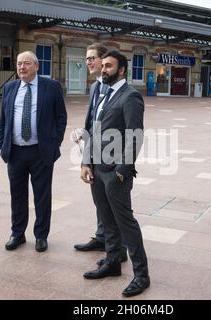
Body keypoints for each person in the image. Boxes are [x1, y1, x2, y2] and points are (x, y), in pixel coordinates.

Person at [80, 49, 150, 297]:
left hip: (116, 173)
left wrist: (123, 169)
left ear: (121, 70)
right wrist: (85, 162)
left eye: (108, 66)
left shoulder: (130, 96)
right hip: (97, 170)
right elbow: (93, 130)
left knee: (125, 223)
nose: (103, 69)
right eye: (103, 65)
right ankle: (112, 263)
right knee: (106, 219)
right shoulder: (102, 93)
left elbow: (136, 135)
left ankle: (142, 275)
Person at [0, 51, 67, 253]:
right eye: (19, 64)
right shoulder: (10, 88)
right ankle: (17, 234)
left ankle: (41, 236)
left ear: (36, 66)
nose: (22, 67)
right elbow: (4, 119)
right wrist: (2, 145)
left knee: (42, 196)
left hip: (41, 152)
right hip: (16, 153)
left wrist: (55, 142)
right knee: (17, 195)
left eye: (26, 63)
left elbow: (61, 117)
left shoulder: (51, 87)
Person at [73, 43, 127, 265]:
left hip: (112, 159)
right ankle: (102, 237)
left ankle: (119, 249)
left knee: (115, 207)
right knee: (101, 203)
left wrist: (123, 168)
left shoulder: (115, 87)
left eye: (92, 58)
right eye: (86, 59)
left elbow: (132, 132)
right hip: (95, 154)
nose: (89, 63)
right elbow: (92, 122)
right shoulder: (95, 87)